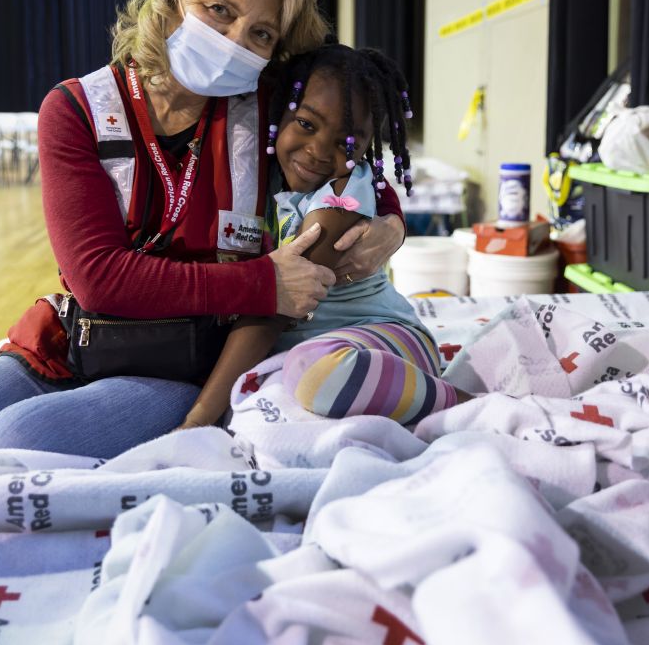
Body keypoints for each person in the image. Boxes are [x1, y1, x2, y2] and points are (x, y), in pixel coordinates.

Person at [0, 0, 406, 478]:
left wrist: (391, 216)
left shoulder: (263, 108)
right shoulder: (76, 109)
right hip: (80, 340)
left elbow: (346, 135)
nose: (234, 42)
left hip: (187, 364)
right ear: (168, 3)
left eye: (260, 33)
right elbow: (99, 278)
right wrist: (263, 282)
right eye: (218, 11)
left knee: (8, 445)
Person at [178, 44, 465, 430]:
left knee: (311, 373)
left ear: (366, 148)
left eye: (346, 143)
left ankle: (459, 402)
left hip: (385, 341)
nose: (317, 152)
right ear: (280, 110)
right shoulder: (258, 176)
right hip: (310, 353)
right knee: (275, 393)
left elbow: (274, 310)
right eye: (307, 125)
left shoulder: (341, 195)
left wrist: (196, 420)